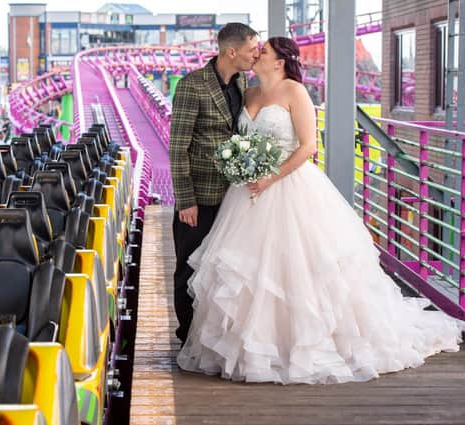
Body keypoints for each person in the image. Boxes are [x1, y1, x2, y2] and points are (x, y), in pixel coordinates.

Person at [176, 36, 463, 384]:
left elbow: (308, 146)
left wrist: (269, 178)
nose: (256, 55)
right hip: (246, 193)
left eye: (262, 51)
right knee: (247, 272)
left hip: (288, 186)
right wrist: (244, 167)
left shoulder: (296, 92)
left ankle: (299, 346)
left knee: (296, 268)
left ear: (280, 61)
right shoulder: (247, 91)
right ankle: (251, 347)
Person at [169, 23, 260, 345]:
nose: (256, 55)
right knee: (189, 269)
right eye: (252, 50)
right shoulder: (191, 85)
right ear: (231, 51)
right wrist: (185, 201)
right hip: (200, 197)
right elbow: (177, 147)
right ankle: (187, 339)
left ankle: (215, 339)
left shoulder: (241, 80)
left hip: (233, 195)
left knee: (223, 270)